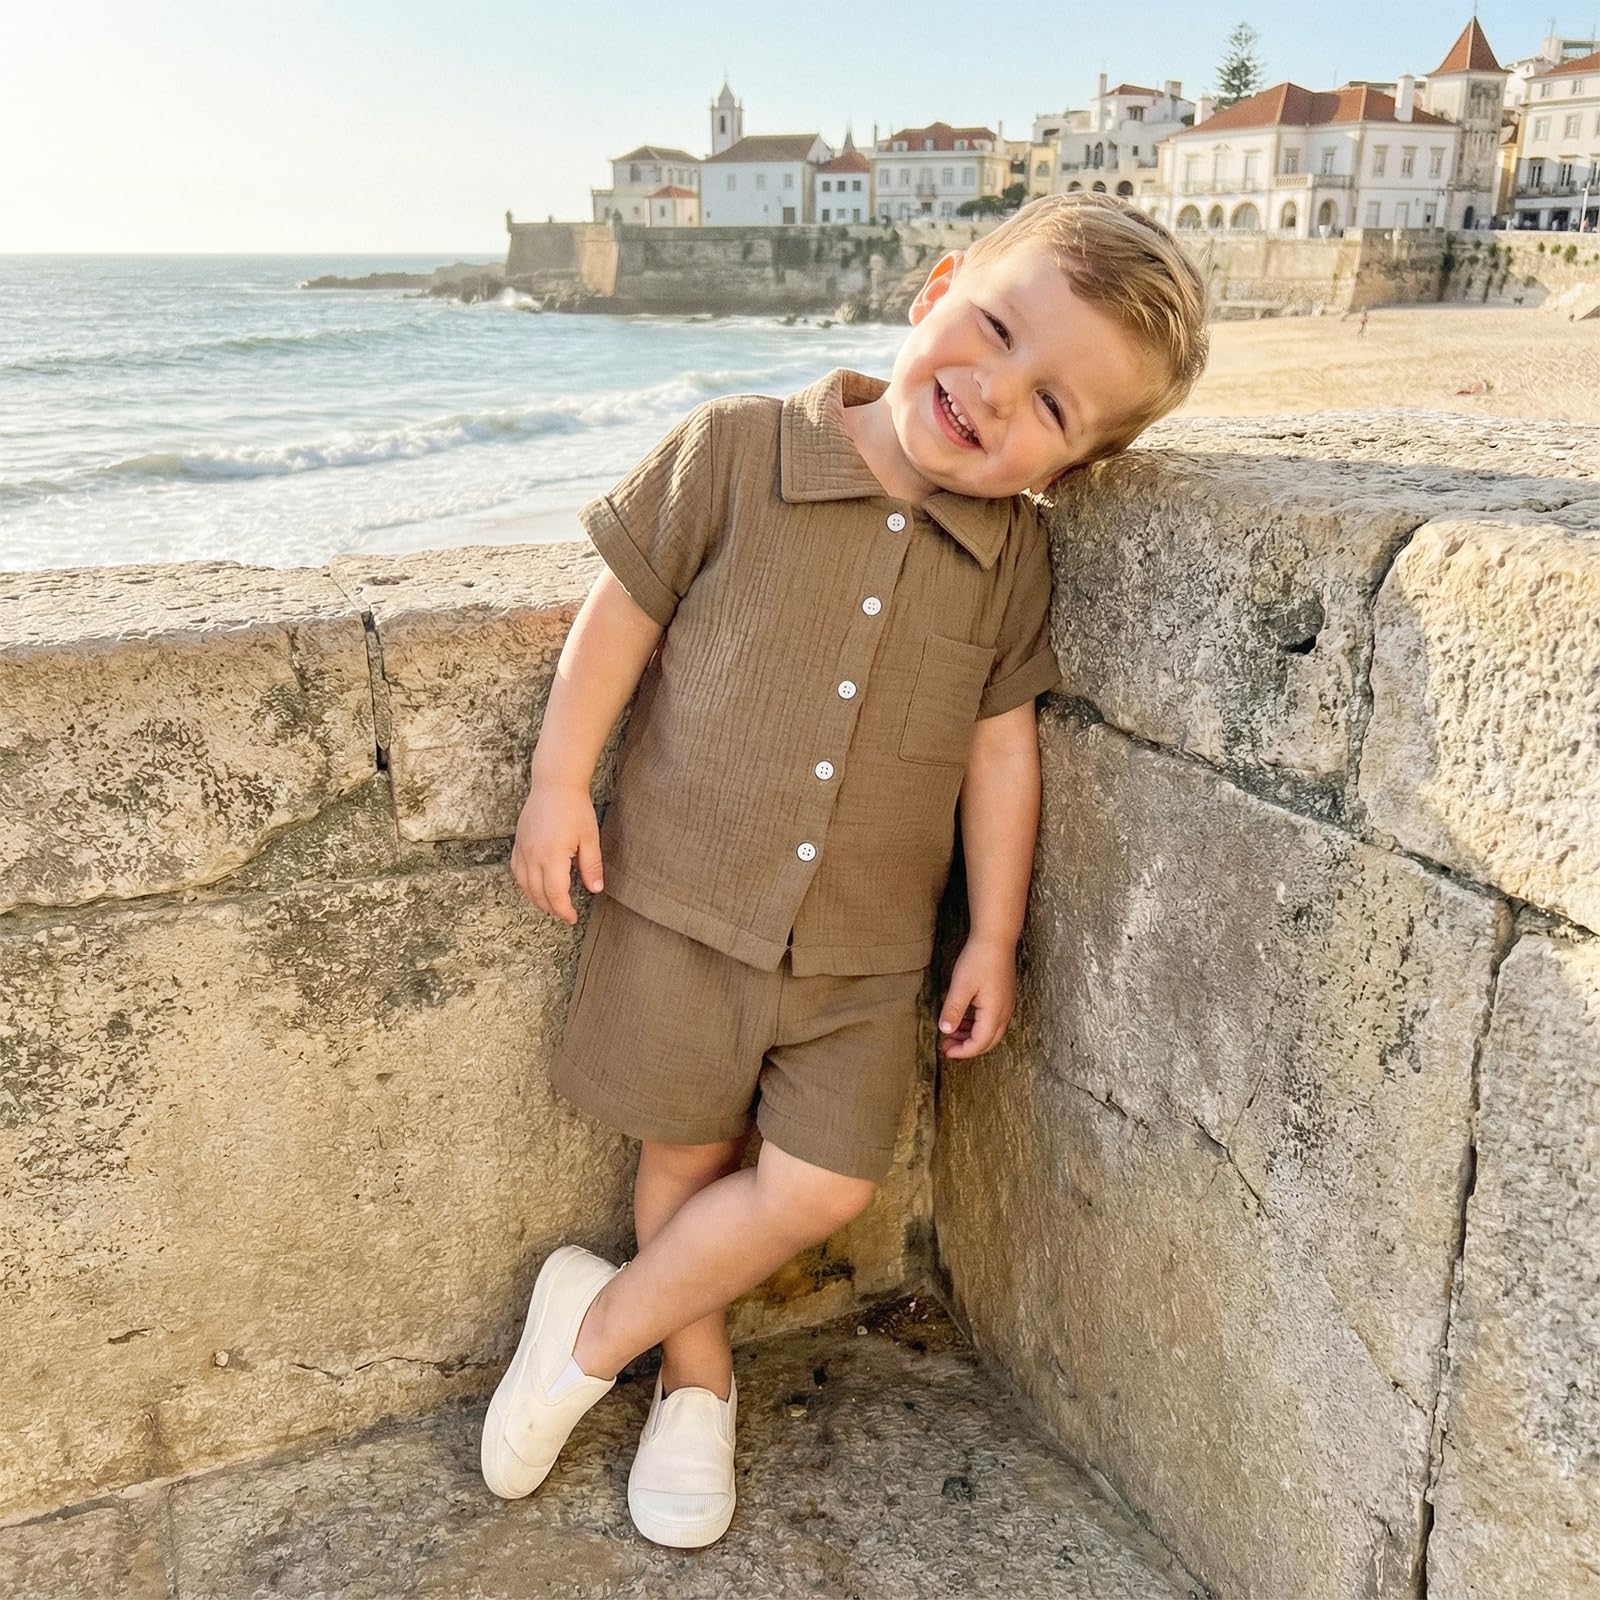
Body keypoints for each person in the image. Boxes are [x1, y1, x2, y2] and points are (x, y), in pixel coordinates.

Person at [480, 192, 1210, 1548]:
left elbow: (1000, 751)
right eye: (996, 331)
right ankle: (695, 1379)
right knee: (684, 1156)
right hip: (686, 904)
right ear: (936, 289)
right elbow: (618, 615)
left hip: (870, 952)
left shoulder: (1011, 557)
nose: (996, 393)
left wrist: (992, 935)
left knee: (823, 1183)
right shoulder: (735, 450)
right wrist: (557, 783)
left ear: (1074, 465)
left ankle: (591, 1332)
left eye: (1054, 406)